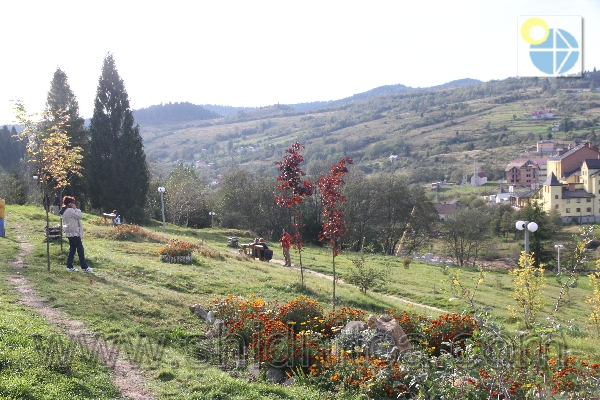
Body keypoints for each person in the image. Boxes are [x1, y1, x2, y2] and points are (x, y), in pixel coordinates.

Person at [60, 196, 93, 273]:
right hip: (74, 232)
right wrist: (76, 209)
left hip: (69, 232)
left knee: (72, 249)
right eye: (73, 203)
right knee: (80, 249)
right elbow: (80, 216)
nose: (74, 204)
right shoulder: (70, 210)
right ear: (70, 203)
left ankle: (69, 266)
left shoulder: (64, 211)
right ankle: (84, 266)